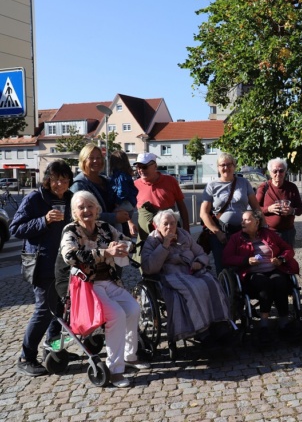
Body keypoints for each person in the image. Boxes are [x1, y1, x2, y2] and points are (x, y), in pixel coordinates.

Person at [55, 191, 149, 388]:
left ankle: (129, 355)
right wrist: (106, 252)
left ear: (97, 209)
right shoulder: (70, 231)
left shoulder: (105, 227)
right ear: (74, 212)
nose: (86, 210)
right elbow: (70, 256)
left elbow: (129, 244)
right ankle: (115, 370)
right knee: (116, 315)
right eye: (81, 207)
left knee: (133, 308)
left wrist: (122, 246)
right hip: (87, 286)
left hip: (110, 282)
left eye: (90, 206)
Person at [11, 161, 73, 376]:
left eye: (64, 179)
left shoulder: (70, 198)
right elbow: (16, 228)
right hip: (42, 264)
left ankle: (53, 350)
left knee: (60, 311)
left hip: (64, 265)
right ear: (48, 179)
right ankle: (26, 357)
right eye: (56, 179)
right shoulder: (35, 198)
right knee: (44, 311)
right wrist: (43, 220)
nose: (60, 183)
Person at [141, 210, 232, 345]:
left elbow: (201, 253)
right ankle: (202, 331)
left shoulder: (184, 235)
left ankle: (220, 324)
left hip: (191, 271)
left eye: (173, 223)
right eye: (165, 224)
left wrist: (199, 262)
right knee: (194, 288)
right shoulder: (152, 241)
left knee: (212, 283)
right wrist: (165, 245)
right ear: (157, 226)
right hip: (169, 275)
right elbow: (149, 268)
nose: (170, 227)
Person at [223, 210, 299, 343]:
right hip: (252, 273)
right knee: (265, 285)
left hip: (273, 269)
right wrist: (246, 261)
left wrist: (281, 259)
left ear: (257, 222)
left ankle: (284, 323)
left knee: (281, 282)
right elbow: (226, 258)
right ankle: (264, 325)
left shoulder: (268, 234)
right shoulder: (236, 238)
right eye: (242, 220)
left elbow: (288, 249)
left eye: (247, 220)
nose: (242, 222)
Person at [200, 152, 260, 273]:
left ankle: (243, 290)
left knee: (243, 262)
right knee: (222, 266)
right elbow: (203, 213)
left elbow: (256, 207)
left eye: (229, 164)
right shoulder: (211, 185)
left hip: (242, 231)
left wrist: (262, 225)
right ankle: (225, 290)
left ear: (234, 166)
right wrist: (218, 233)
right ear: (218, 167)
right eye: (222, 165)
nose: (226, 168)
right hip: (221, 233)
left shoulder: (243, 183)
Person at [134, 152, 190, 263]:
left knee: (172, 259)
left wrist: (186, 229)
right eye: (138, 167)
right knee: (146, 262)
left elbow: (181, 206)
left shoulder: (170, 181)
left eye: (144, 167)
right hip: (147, 235)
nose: (141, 170)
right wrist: (130, 223)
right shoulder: (135, 185)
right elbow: (126, 207)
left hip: (169, 231)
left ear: (155, 166)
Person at [70, 143, 131, 230]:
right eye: (91, 158)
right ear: (83, 161)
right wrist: (114, 217)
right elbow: (83, 214)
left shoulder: (106, 181)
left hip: (113, 232)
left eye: (98, 158)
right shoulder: (78, 185)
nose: (96, 161)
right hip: (93, 235)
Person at [256, 157, 302, 247]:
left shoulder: (292, 187)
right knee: (271, 259)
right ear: (270, 173)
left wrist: (292, 210)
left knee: (287, 259)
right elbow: (255, 209)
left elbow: (301, 208)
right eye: (275, 171)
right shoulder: (263, 187)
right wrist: (268, 209)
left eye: (281, 171)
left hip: (288, 232)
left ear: (285, 172)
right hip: (269, 232)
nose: (278, 174)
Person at [109, 150, 139, 237]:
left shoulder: (120, 175)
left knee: (115, 217)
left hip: (124, 202)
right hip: (130, 203)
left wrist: (117, 202)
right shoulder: (126, 174)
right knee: (123, 220)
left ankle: (119, 236)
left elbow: (122, 190)